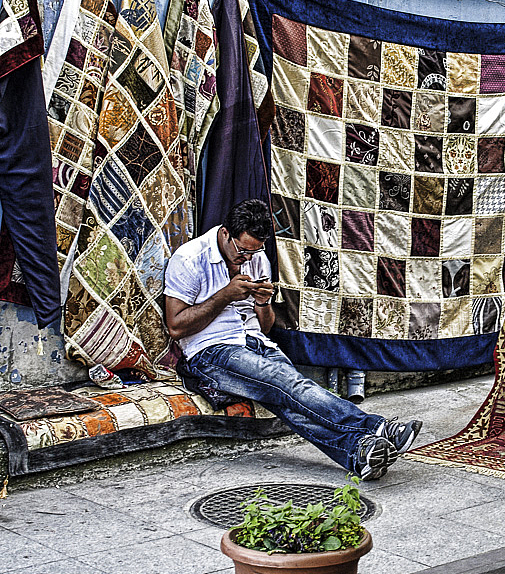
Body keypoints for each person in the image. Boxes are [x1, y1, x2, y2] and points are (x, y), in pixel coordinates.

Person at [163, 199, 421, 480]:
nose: (248, 258)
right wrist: (224, 296)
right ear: (226, 233)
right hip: (211, 352)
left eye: (255, 251)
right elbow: (176, 327)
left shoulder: (257, 258)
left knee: (289, 401)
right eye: (242, 250)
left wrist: (263, 303)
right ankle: (374, 427)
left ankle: (358, 453)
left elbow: (265, 327)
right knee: (292, 383)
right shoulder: (190, 259)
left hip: (255, 344)